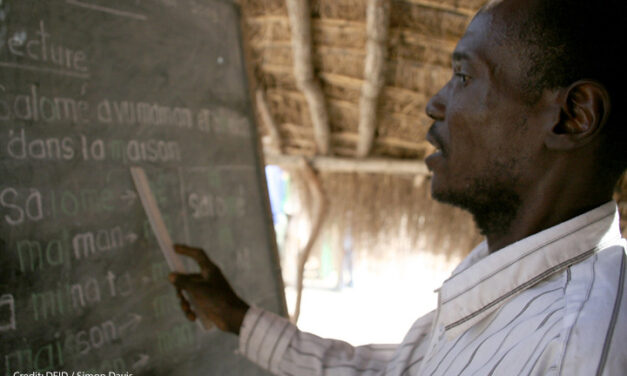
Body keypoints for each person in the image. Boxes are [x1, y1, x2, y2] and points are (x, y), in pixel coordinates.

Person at [169, 0, 627, 374]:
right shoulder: (504, 273)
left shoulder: (577, 348)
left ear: (573, 116)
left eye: (464, 76)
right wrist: (238, 318)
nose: (434, 103)